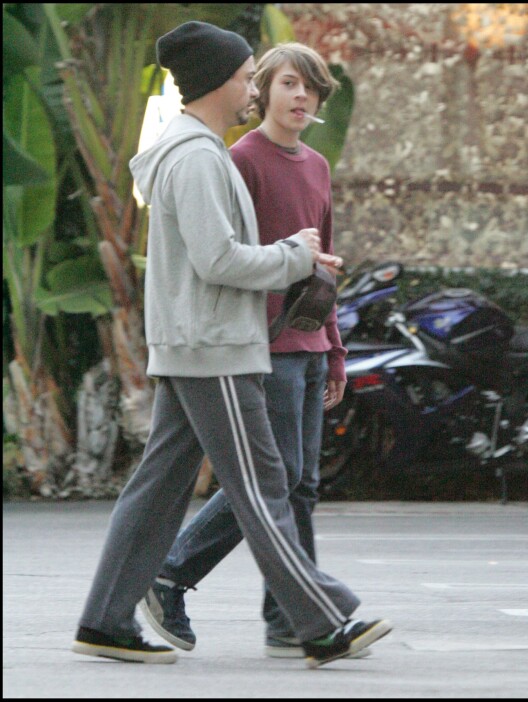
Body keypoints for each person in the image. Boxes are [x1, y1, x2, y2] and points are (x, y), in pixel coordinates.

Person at [71, 21, 392, 669]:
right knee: (263, 482)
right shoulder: (195, 157)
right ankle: (321, 622)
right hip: (212, 345)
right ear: (219, 79)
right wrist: (293, 257)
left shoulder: (199, 150)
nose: (253, 84)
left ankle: (105, 620)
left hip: (198, 342)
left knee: (159, 486)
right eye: (249, 74)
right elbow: (218, 261)